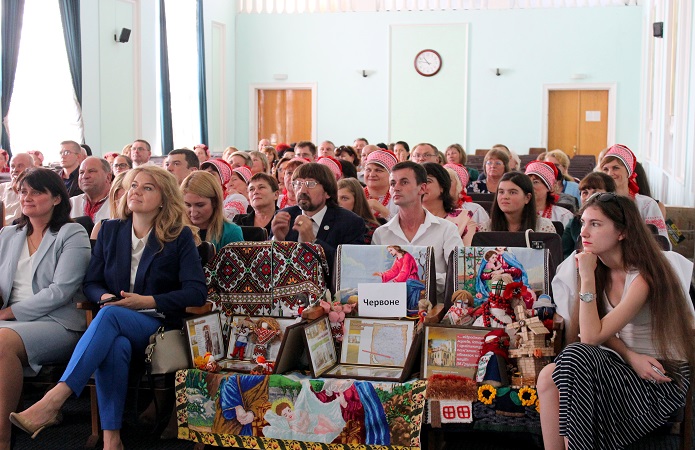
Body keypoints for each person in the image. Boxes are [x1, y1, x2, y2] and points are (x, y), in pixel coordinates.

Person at [11, 166, 207, 450]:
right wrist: (103, 296)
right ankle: (112, 440)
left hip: (158, 327)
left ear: (164, 197)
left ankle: (54, 399)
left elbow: (196, 292)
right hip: (115, 323)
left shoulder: (179, 236)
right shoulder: (110, 230)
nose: (136, 191)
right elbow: (92, 282)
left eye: (147, 187)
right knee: (115, 345)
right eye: (133, 185)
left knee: (111, 316)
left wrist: (147, 301)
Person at [538, 192, 695, 450]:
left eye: (596, 224)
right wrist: (630, 355)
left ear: (622, 232)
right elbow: (595, 332)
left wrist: (586, 276)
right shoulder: (599, 268)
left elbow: (588, 338)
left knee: (576, 354)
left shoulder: (643, 276)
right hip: (627, 364)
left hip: (659, 376)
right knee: (548, 376)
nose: (584, 233)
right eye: (584, 223)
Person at [0, 168, 91, 448]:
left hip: (58, 322)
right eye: (23, 191)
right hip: (11, 320)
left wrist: (6, 314)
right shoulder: (8, 233)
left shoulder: (71, 233)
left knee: (2, 342)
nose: (27, 197)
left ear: (56, 199)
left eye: (36, 192)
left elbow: (60, 291)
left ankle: (2, 438)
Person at [372, 161, 460, 303]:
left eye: (404, 182)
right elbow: (376, 280)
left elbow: (457, 275)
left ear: (422, 188)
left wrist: (425, 280)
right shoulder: (381, 233)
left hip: (436, 309)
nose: (396, 188)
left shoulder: (447, 229)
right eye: (393, 183)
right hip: (390, 307)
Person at [270, 163, 365, 281]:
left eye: (310, 184)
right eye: (298, 184)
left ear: (327, 192)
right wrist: (279, 240)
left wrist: (313, 242)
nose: (302, 190)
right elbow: (267, 269)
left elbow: (350, 269)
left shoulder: (350, 222)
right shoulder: (284, 216)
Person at [599, 144, 669, 244]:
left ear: (628, 172)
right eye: (605, 169)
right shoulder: (597, 202)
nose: (610, 173)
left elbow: (661, 243)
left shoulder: (647, 205)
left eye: (615, 168)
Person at [181, 171, 243, 250]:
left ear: (215, 202)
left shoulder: (231, 232)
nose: (193, 212)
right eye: (187, 205)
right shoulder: (174, 232)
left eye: (200, 205)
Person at [562, 172, 616, 259]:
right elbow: (563, 251)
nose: (589, 197)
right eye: (585, 193)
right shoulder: (575, 221)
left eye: (595, 193)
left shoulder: (617, 219)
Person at [480, 172, 556, 233]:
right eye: (501, 192)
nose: (505, 197)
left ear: (527, 198)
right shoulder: (486, 228)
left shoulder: (543, 227)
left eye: (512, 192)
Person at [422, 163, 478, 246]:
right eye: (417, 182)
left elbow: (466, 256)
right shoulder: (406, 219)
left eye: (428, 181)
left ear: (442, 187)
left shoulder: (463, 219)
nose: (422, 186)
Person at [525, 161, 573, 228]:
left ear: (549, 187)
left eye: (535, 182)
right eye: (527, 182)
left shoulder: (563, 216)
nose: (530, 186)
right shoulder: (516, 214)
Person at [233, 172, 280, 238]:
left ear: (276, 194)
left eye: (261, 187)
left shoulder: (285, 220)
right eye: (251, 189)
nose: (255, 192)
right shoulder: (239, 221)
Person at [69, 157, 113, 223]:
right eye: (81, 172)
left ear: (108, 177)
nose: (85, 176)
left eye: (91, 171)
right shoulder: (72, 203)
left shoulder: (119, 203)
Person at [337, 177, 380, 244]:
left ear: (357, 201)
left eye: (344, 198)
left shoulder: (370, 229)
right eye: (335, 198)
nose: (338, 202)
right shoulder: (328, 224)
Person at [363, 150, 399, 221]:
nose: (372, 174)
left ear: (391, 175)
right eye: (368, 170)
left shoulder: (399, 199)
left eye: (378, 170)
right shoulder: (355, 195)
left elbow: (406, 227)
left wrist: (384, 212)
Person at [0, 153, 34, 225]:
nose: (15, 170)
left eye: (20, 166)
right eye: (12, 166)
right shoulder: (1, 188)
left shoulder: (36, 192)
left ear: (32, 168)